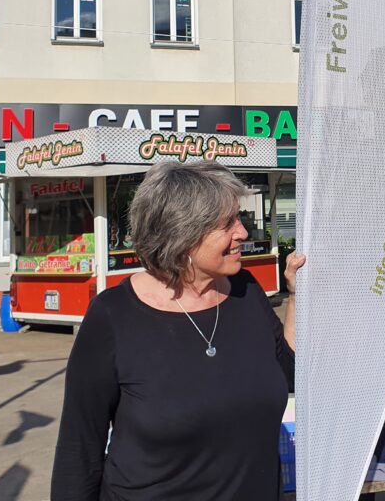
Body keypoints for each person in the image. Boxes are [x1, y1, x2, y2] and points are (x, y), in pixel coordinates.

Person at [51, 161, 305, 501]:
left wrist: (297, 296)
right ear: (183, 233)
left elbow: (288, 373)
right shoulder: (113, 315)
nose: (243, 233)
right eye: (228, 223)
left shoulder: (246, 290)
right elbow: (78, 449)